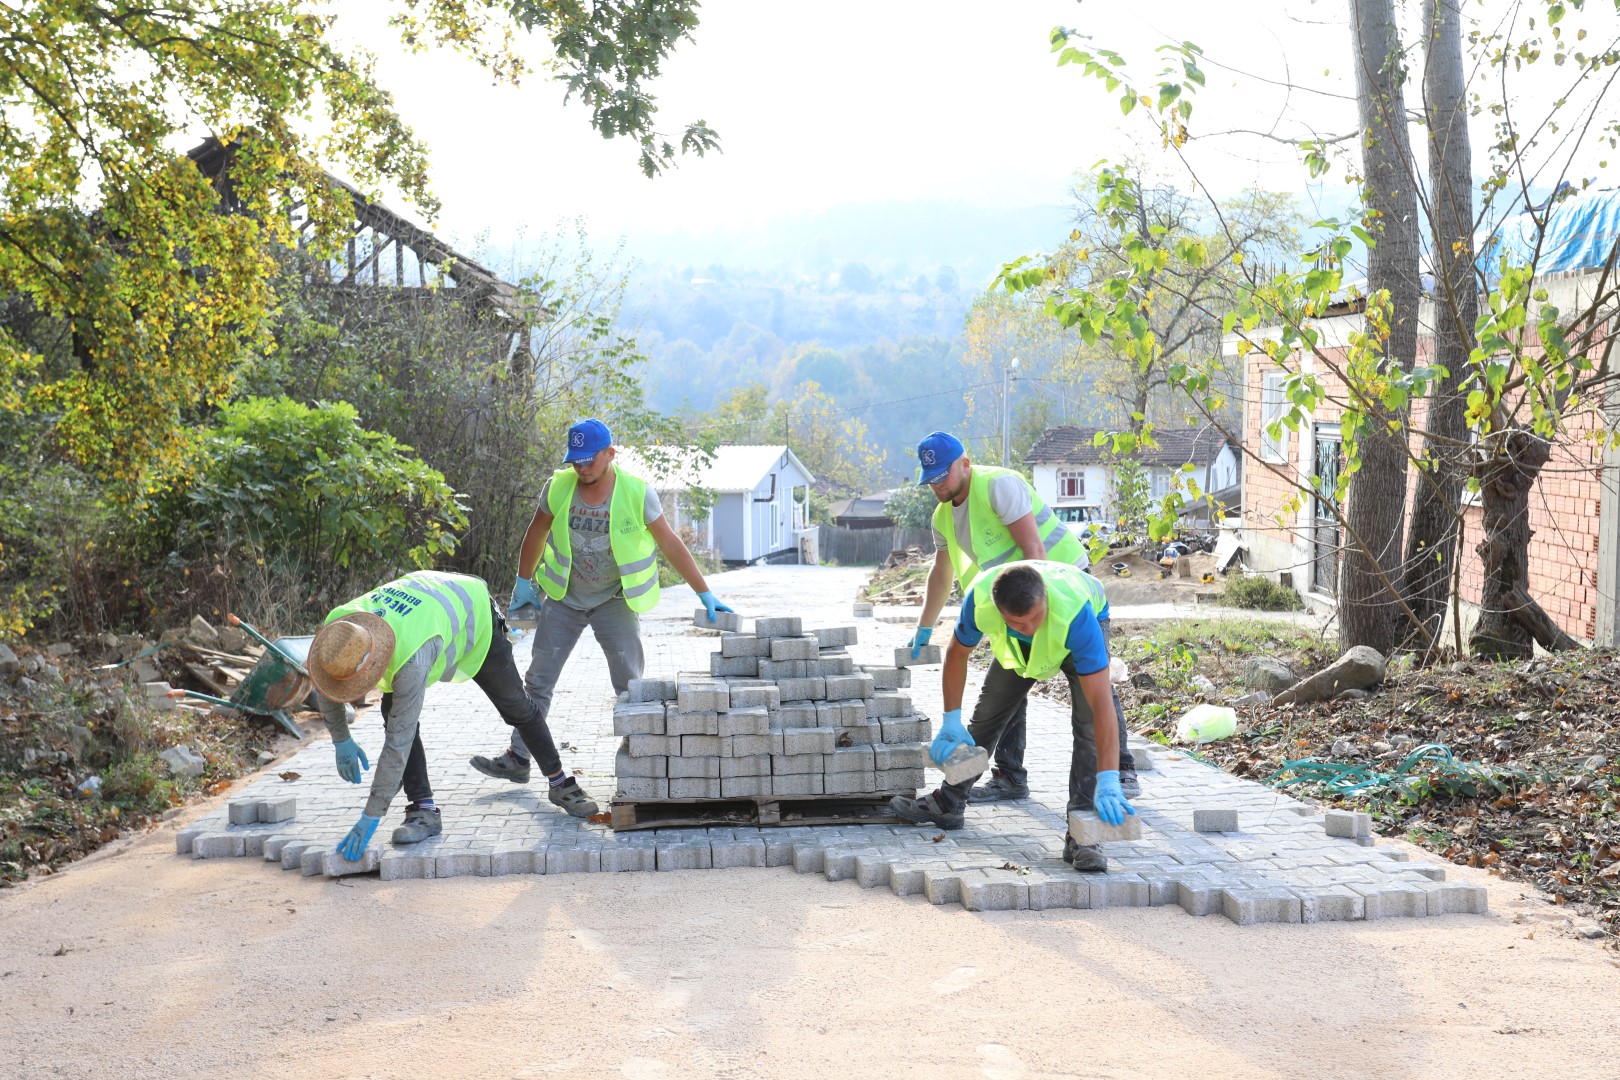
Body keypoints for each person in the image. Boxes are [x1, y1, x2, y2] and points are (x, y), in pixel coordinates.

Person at [470, 417, 734, 784]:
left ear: (610, 453)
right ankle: (519, 757)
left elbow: (670, 543)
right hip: (564, 598)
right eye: (574, 460)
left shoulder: (636, 492)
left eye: (588, 460)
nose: (580, 467)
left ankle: (641, 756)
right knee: (537, 682)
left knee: (629, 684)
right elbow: (537, 531)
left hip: (615, 600)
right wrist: (523, 583)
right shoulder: (559, 487)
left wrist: (703, 591)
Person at [905, 430, 1136, 803]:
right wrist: (925, 628)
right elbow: (943, 575)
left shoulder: (999, 486)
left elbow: (1033, 549)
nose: (936, 485)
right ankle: (990, 784)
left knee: (1091, 703)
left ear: (964, 463)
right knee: (997, 700)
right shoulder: (946, 527)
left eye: (942, 476)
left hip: (1054, 593)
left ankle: (1114, 778)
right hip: (1009, 603)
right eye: (929, 480)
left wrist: (1036, 614)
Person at [310, 570, 599, 864]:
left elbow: (400, 740)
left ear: (375, 662)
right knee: (392, 709)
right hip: (424, 607)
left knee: (516, 706)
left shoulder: (411, 657)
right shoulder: (339, 630)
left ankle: (561, 783)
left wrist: (371, 815)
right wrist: (340, 739)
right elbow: (326, 681)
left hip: (472, 615)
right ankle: (423, 811)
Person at [892, 560, 1136, 872]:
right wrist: (950, 719)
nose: (1030, 628)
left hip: (1076, 624)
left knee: (1088, 726)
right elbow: (957, 654)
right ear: (1000, 612)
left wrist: (1108, 777)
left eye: (1035, 618)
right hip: (1020, 643)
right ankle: (949, 802)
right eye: (1019, 624)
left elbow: (1101, 706)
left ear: (1044, 599)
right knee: (987, 714)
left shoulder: (1077, 616)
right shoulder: (981, 601)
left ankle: (1084, 835)